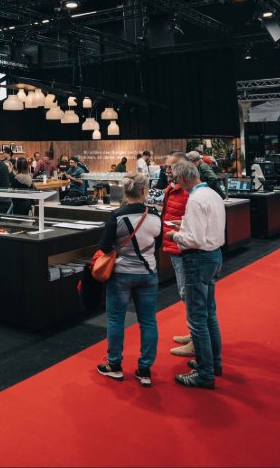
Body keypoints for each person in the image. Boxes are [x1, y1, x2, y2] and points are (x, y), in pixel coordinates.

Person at [95, 172, 162, 387]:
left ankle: (114, 365)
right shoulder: (155, 215)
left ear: (126, 191)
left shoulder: (117, 215)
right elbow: (157, 245)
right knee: (148, 321)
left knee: (116, 320)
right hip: (148, 273)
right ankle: (145, 369)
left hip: (121, 274)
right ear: (144, 190)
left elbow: (104, 246)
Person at [166, 160, 226, 389]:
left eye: (176, 179)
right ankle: (213, 363)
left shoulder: (195, 199)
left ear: (182, 178)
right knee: (209, 314)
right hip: (214, 256)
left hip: (198, 259)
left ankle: (204, 373)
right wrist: (184, 224)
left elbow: (195, 239)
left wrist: (175, 236)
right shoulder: (212, 194)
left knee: (197, 319)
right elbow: (207, 227)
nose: (176, 183)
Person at [160, 153, 194, 357]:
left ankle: (196, 340)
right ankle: (193, 334)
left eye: (170, 167)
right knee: (185, 293)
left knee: (188, 294)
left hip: (183, 248)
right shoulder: (172, 187)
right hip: (173, 246)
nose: (166, 170)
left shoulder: (188, 192)